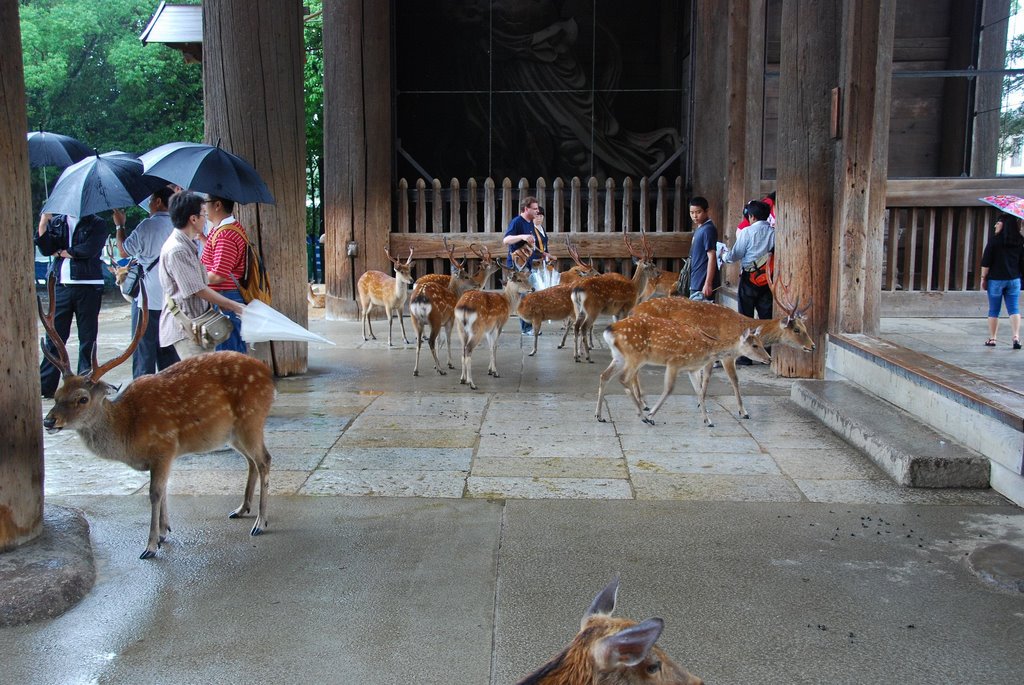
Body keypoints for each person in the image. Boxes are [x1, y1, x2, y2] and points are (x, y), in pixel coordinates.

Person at [159, 192, 246, 360]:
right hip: (187, 328)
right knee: (202, 381)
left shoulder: (187, 245)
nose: (205, 219)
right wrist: (233, 305)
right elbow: (197, 288)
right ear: (193, 219)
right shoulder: (178, 250)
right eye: (203, 215)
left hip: (197, 324)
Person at [35, 210, 108, 397]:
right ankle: (46, 385)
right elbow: (45, 248)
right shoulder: (58, 223)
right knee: (55, 337)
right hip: (61, 284)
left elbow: (90, 249)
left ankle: (85, 382)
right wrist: (43, 223)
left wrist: (64, 252)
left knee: (88, 336)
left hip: (88, 285)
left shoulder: (96, 222)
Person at [113, 187, 180, 377]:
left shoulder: (147, 226)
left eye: (151, 200)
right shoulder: (180, 226)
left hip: (147, 299)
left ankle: (143, 398)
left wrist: (120, 226)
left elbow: (124, 251)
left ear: (158, 202)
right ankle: (170, 396)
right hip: (173, 298)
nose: (149, 204)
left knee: (144, 352)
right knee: (169, 352)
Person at [719, 199, 775, 365]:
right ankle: (767, 352)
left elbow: (734, 255)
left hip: (748, 279)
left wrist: (723, 255)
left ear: (751, 217)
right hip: (767, 279)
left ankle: (746, 356)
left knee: (745, 317)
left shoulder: (747, 232)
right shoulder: (774, 233)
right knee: (766, 317)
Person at [200, 195, 249, 352]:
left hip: (225, 298)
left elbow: (219, 275)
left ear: (218, 205)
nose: (203, 208)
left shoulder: (225, 235)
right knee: (232, 350)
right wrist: (203, 238)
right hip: (225, 297)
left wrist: (193, 280)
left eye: (205, 203)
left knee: (228, 353)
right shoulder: (222, 230)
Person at [980, 212, 1023, 349]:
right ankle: (1016, 337)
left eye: (997, 222)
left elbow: (986, 262)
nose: (995, 225)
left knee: (994, 310)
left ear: (1003, 224)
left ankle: (993, 338)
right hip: (1014, 279)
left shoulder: (994, 241)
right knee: (1014, 309)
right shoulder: (1020, 241)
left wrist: (983, 278)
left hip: (996, 280)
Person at [502, 196, 543, 334]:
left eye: (537, 209)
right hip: (517, 266)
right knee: (523, 296)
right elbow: (506, 240)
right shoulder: (517, 222)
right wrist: (522, 236)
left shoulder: (530, 222)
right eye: (535, 209)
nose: (537, 211)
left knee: (530, 294)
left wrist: (541, 254)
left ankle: (530, 326)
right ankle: (526, 329)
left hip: (527, 264)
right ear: (526, 209)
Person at [687, 196, 718, 301]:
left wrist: (708, 283)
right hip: (696, 280)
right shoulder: (700, 228)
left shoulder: (708, 230)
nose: (695, 216)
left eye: (698, 212)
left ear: (707, 211)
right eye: (692, 213)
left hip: (702, 283)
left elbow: (712, 256)